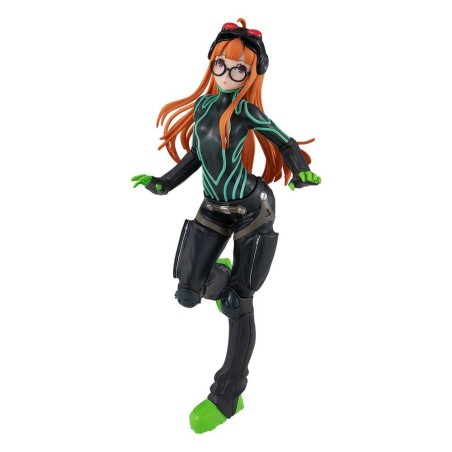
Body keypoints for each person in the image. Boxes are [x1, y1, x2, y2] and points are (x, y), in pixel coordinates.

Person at [131, 19, 321, 433]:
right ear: (211, 63)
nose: (228, 73)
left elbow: (284, 142)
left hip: (254, 209)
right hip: (213, 207)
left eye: (239, 69)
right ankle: (224, 277)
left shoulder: (247, 112)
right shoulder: (203, 107)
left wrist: (300, 171)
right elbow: (196, 156)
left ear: (252, 73)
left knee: (238, 301)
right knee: (187, 293)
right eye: (221, 64)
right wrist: (163, 183)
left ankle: (229, 394)